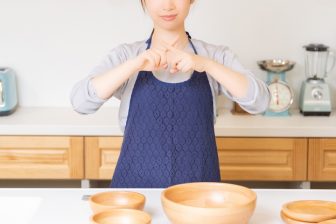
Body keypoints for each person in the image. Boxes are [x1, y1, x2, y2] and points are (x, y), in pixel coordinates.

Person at [70, 0, 270, 188]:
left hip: (198, 193)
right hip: (135, 191)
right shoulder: (127, 55)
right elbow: (81, 103)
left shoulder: (214, 55)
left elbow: (260, 102)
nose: (167, 5)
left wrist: (205, 64)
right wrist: (135, 65)